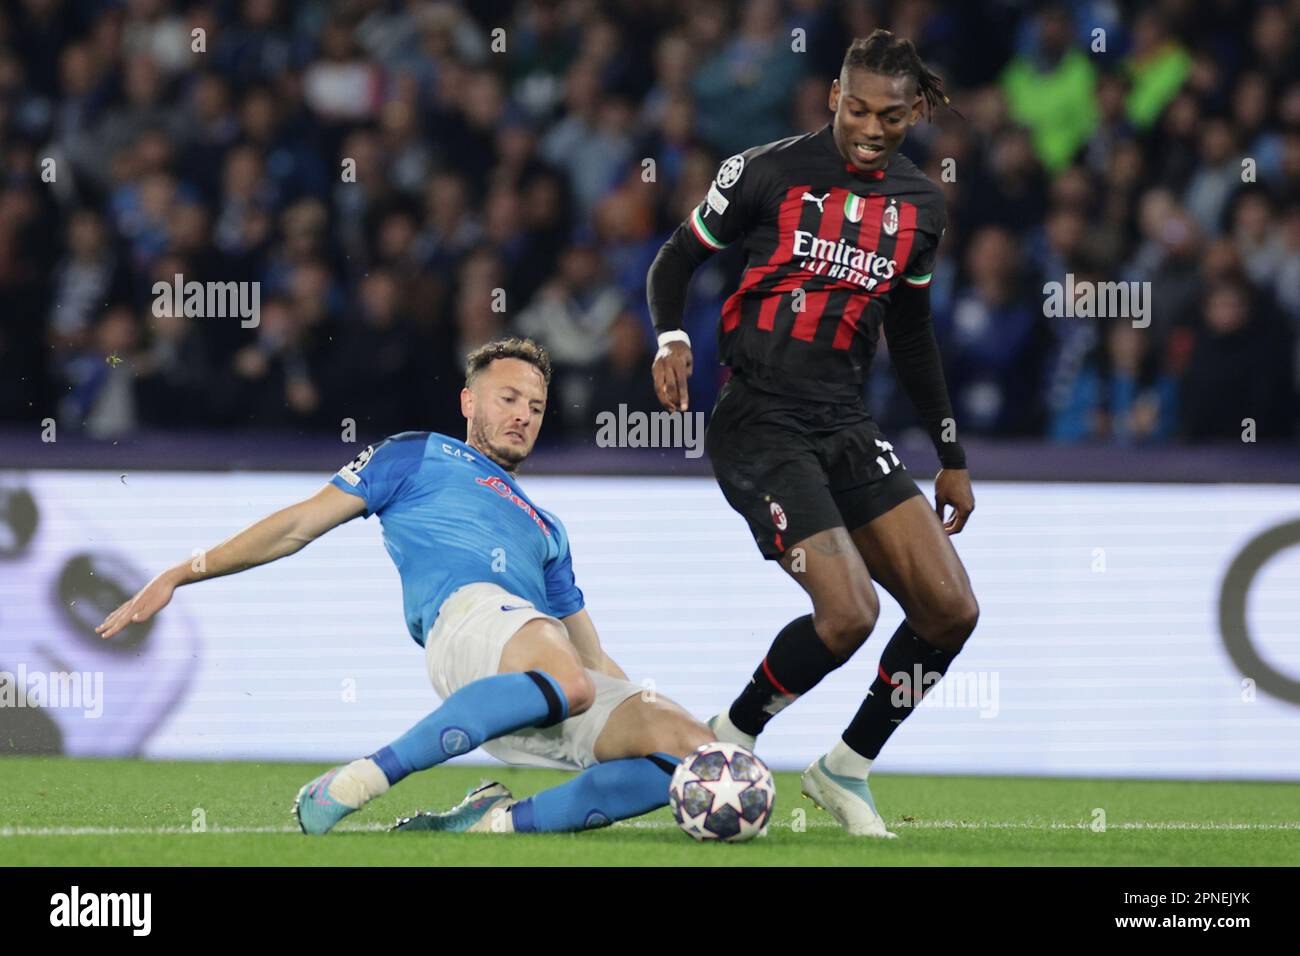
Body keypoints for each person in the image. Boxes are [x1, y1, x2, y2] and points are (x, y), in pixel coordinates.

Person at [96, 337, 712, 835]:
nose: (523, 414)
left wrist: (643, 709)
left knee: (694, 757)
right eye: (508, 398)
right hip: (470, 627)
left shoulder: (548, 525)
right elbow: (296, 526)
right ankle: (360, 779)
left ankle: (496, 823)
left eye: (536, 406)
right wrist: (183, 570)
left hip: (541, 672)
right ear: (468, 401)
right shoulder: (418, 454)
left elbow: (592, 657)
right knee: (567, 676)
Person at [647, 30, 979, 837]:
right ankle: (731, 736)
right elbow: (675, 260)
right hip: (760, 416)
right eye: (857, 108)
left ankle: (845, 767)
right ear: (834, 95)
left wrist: (951, 457)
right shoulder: (766, 171)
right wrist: (671, 338)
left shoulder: (920, 205)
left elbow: (913, 335)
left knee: (950, 610)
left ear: (916, 112)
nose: (872, 127)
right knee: (849, 615)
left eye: (892, 116)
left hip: (846, 421)